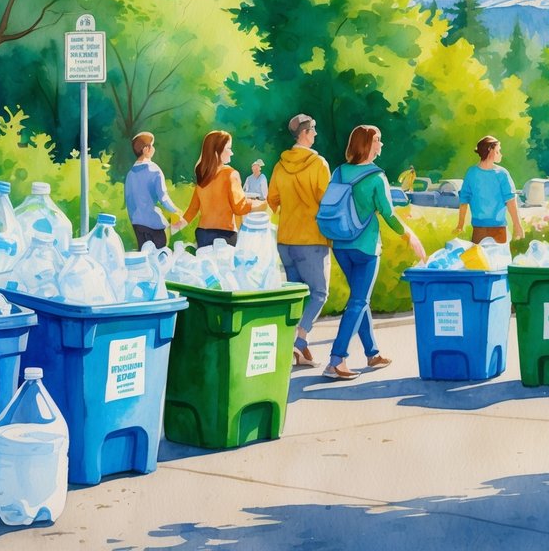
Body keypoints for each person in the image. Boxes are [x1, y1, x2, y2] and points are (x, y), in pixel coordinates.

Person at [325, 125, 426, 380]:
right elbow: (389, 215)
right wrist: (410, 235)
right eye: (378, 140)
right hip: (366, 248)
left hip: (341, 245)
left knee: (361, 299)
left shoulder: (338, 172)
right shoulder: (376, 177)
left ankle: (372, 353)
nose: (381, 144)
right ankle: (337, 361)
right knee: (358, 301)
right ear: (367, 144)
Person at [267, 114, 331, 367]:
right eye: (313, 131)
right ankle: (300, 340)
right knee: (319, 293)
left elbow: (272, 200)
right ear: (305, 133)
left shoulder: (280, 166)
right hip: (312, 239)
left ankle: (299, 353)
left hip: (285, 239)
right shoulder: (318, 164)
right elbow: (327, 202)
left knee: (297, 295)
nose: (315, 135)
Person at [177, 130, 266, 247]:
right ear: (216, 152)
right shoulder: (231, 174)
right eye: (228, 148)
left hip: (202, 234)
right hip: (225, 234)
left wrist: (176, 226)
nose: (232, 153)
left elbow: (193, 208)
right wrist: (260, 203)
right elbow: (239, 208)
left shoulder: (203, 176)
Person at [454, 136, 525, 244]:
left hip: (497, 228)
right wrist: (460, 225)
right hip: (481, 229)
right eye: (498, 151)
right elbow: (464, 200)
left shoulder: (501, 174)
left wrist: (517, 225)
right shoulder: (473, 173)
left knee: (495, 259)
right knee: (481, 259)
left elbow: (511, 200)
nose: (500, 154)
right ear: (490, 150)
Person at [124, 132, 182, 251]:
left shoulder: (130, 174)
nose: (154, 148)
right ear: (146, 149)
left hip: (137, 224)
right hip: (154, 225)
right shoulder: (154, 170)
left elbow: (129, 201)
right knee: (160, 257)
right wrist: (176, 210)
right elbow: (163, 198)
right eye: (152, 145)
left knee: (144, 259)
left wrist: (134, 220)